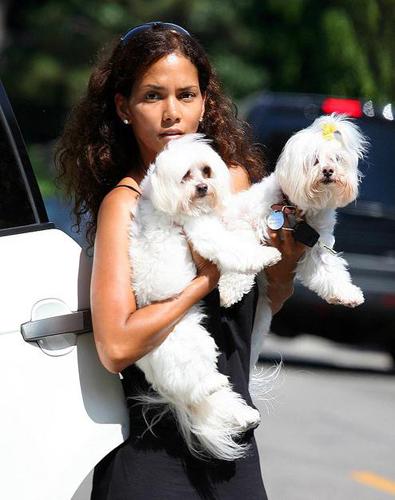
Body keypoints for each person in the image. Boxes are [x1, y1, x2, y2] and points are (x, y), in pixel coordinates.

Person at [55, 21, 305, 500]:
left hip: (234, 451)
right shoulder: (123, 205)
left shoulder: (232, 182)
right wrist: (200, 284)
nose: (172, 113)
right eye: (153, 96)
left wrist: (286, 261)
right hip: (153, 460)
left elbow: (270, 297)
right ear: (124, 108)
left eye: (186, 95)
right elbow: (115, 346)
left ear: (205, 103)